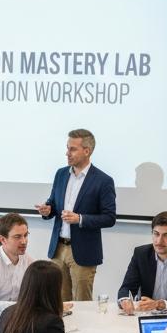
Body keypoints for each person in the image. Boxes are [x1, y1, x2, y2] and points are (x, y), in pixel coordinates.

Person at [37, 129, 116, 301]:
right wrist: (47, 210)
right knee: (57, 302)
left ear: (87, 151)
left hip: (83, 252)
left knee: (82, 305)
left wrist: (80, 219)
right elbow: (53, 203)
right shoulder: (61, 174)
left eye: (72, 149)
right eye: (67, 148)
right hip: (58, 249)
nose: (67, 153)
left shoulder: (103, 181)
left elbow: (110, 218)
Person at [0, 212, 34, 318]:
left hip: (18, 316)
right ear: (3, 240)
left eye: (25, 235)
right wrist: (23, 307)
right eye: (17, 237)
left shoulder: (29, 261)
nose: (24, 241)